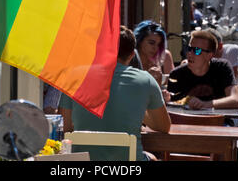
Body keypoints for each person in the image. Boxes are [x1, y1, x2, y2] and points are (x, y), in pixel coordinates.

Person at [58, 25, 171, 161]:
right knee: (153, 158)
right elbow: (163, 127)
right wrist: (136, 110)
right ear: (132, 55)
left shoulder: (73, 77)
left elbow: (66, 127)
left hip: (82, 161)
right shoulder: (146, 80)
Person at [167, 30, 238, 110]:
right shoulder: (177, 74)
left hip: (219, 120)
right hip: (187, 121)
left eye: (197, 50)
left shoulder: (222, 67)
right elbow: (171, 104)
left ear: (209, 55)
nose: (189, 54)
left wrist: (205, 104)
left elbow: (235, 100)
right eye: (189, 48)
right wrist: (165, 98)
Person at [130, 20, 174, 87]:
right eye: (151, 43)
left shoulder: (165, 56)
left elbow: (174, 83)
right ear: (140, 40)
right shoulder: (128, 58)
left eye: (159, 45)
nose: (155, 48)